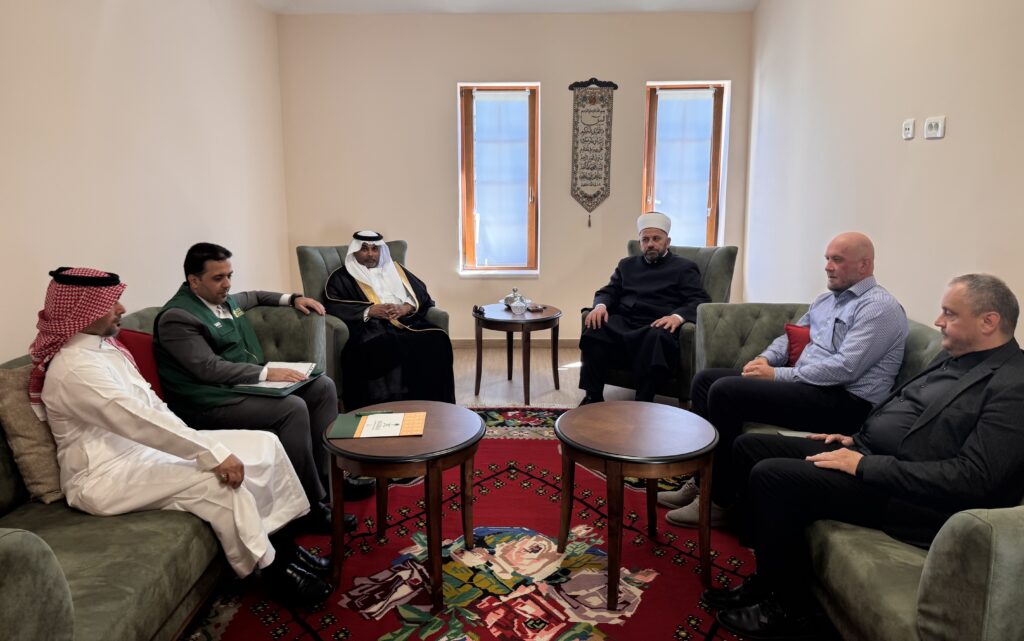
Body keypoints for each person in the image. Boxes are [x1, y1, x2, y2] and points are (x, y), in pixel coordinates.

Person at [708, 274, 1024, 640]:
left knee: (773, 476)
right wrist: (856, 438)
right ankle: (766, 580)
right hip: (868, 452)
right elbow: (903, 411)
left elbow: (973, 477)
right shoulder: (954, 357)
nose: (938, 321)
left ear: (989, 322)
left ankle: (787, 610)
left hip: (906, 493)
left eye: (950, 314)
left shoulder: (1013, 385)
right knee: (749, 448)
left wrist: (864, 464)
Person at [30, 267, 333, 604]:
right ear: (83, 312)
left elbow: (152, 406)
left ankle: (283, 543)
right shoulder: (75, 370)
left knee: (265, 442)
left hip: (143, 451)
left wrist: (202, 443)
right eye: (111, 303)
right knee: (217, 481)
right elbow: (141, 421)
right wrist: (211, 453)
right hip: (105, 476)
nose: (121, 309)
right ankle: (272, 569)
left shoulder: (103, 349)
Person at [660, 232, 908, 527]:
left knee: (726, 391)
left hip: (847, 402)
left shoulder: (878, 308)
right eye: (827, 259)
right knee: (705, 381)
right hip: (809, 387)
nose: (828, 266)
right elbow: (787, 337)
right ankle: (702, 480)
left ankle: (720, 501)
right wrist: (766, 359)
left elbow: (846, 368)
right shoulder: (827, 300)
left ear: (864, 265)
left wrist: (777, 375)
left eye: (837, 260)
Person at [153, 242, 368, 530]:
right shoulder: (178, 318)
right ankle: (307, 506)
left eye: (229, 275)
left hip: (239, 388)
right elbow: (208, 368)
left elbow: (254, 296)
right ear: (194, 281)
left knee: (322, 387)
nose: (227, 284)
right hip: (207, 402)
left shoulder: (222, 300)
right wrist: (266, 372)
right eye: (218, 278)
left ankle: (330, 480)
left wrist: (293, 298)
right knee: (291, 409)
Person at [579, 212, 711, 404]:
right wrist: (600, 306)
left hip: (656, 324)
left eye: (656, 239)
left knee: (655, 337)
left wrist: (677, 317)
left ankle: (643, 402)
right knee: (595, 328)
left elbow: (699, 299)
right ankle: (593, 397)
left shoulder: (684, 267)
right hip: (625, 322)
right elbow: (609, 291)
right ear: (640, 243)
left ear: (667, 241)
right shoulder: (626, 265)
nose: (650, 244)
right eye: (645, 239)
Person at [323, 230, 455, 411]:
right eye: (364, 249)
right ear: (355, 250)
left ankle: (433, 405)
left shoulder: (396, 269)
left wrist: (405, 308)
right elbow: (332, 305)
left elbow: (421, 293)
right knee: (383, 345)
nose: (371, 254)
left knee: (437, 339)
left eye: (375, 249)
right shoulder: (342, 276)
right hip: (371, 327)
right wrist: (370, 310)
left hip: (406, 322)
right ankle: (384, 407)